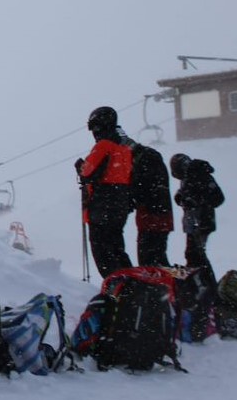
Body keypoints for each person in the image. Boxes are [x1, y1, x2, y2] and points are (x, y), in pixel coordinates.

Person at [75, 106, 134, 278]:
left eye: (93, 126)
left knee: (103, 254)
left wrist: (80, 166)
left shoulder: (104, 145)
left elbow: (88, 171)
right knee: (117, 249)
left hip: (102, 205)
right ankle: (131, 284)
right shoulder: (124, 149)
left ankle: (117, 291)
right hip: (120, 204)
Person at [119, 127, 173, 267]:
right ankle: (177, 282)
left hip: (152, 216)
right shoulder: (150, 156)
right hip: (159, 215)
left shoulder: (144, 160)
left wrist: (130, 198)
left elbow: (143, 189)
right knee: (157, 258)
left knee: (150, 261)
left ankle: (172, 283)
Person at [171, 153, 225, 274]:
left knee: (195, 255)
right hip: (193, 223)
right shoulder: (189, 176)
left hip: (201, 222)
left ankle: (202, 282)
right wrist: (180, 197)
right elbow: (186, 193)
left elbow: (218, 198)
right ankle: (199, 281)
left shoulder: (200, 175)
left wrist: (196, 201)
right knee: (194, 254)